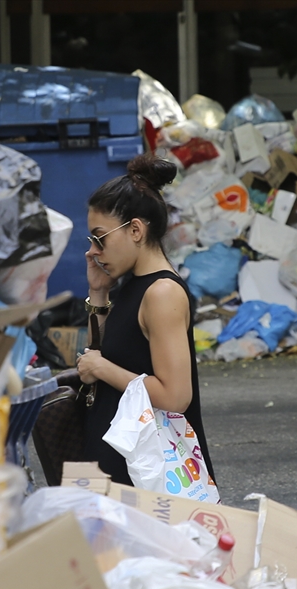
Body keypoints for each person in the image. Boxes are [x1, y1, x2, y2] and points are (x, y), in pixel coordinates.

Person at [76, 153, 215, 487]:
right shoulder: (133, 284)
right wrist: (98, 293)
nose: (93, 250)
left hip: (149, 474)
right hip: (128, 460)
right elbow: (99, 352)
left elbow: (175, 396)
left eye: (100, 238)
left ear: (135, 230)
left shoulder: (162, 293)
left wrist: (101, 369)